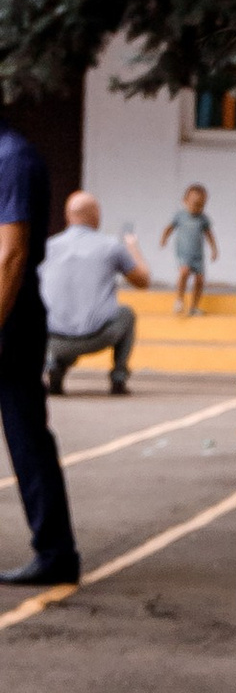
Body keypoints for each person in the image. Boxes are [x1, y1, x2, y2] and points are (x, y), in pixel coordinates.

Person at [0, 114, 77, 587]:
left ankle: (55, 553)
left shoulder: (13, 158)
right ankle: (55, 551)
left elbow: (11, 254)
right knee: (27, 433)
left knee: (26, 435)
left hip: (10, 313)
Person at [40, 193, 150, 396]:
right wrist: (132, 246)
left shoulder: (48, 247)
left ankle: (53, 368)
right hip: (97, 336)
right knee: (126, 314)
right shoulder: (111, 246)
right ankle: (118, 378)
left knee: (51, 312)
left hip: (52, 341)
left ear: (67, 215)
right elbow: (143, 281)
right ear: (96, 215)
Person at [161, 183, 216, 314]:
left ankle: (194, 306)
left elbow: (209, 234)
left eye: (201, 205)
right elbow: (169, 228)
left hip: (198, 255)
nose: (197, 208)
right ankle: (179, 300)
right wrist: (164, 238)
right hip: (183, 253)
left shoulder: (203, 219)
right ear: (185, 201)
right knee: (184, 272)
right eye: (195, 204)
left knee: (200, 279)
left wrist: (214, 249)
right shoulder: (180, 216)